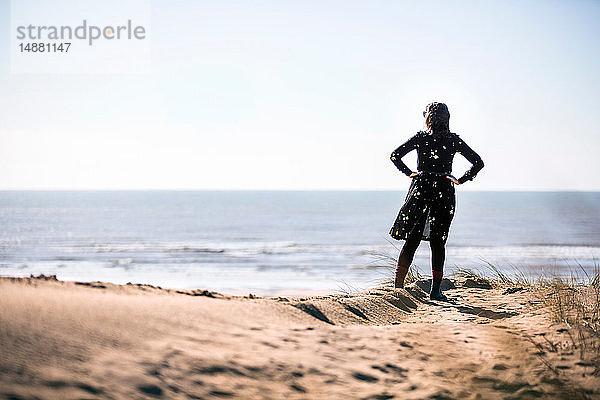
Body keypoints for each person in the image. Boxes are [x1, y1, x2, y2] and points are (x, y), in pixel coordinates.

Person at [389, 102, 484, 300]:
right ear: (447, 119)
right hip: (444, 191)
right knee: (438, 242)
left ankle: (398, 286)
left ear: (428, 118)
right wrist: (460, 179)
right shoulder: (453, 140)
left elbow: (395, 156)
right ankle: (435, 290)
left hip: (421, 190)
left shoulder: (420, 138)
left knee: (412, 240)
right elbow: (478, 162)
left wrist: (411, 174)